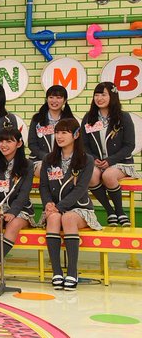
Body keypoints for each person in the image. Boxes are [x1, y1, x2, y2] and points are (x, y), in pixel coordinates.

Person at [39, 118, 101, 291]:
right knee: (53, 219)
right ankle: (57, 272)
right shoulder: (48, 159)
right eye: (57, 132)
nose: (59, 136)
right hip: (54, 207)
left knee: (67, 218)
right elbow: (43, 186)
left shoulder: (86, 160)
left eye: (64, 132)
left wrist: (59, 207)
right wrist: (48, 204)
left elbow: (80, 189)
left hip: (79, 208)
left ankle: (72, 272)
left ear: (76, 135)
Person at [0, 127, 34, 285]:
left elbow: (24, 193)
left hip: (19, 208)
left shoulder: (27, 165)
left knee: (14, 224)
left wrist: (13, 212)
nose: (4, 145)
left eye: (9, 141)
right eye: (1, 141)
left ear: (19, 143)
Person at [82, 82, 140, 227]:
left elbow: (129, 145)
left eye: (103, 94)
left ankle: (120, 212)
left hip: (120, 162)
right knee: (91, 175)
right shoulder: (89, 117)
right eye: (96, 95)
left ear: (112, 96)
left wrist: (110, 160)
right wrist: (94, 159)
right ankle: (110, 211)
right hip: (97, 162)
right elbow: (84, 144)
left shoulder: (123, 117)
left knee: (108, 175)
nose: (99, 98)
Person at [28, 85, 74, 176]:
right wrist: (47, 156)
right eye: (51, 97)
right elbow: (32, 144)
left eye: (58, 97)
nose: (54, 101)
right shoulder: (37, 119)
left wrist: (62, 158)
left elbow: (74, 143)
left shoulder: (70, 120)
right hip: (40, 159)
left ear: (65, 100)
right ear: (47, 99)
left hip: (65, 159)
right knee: (45, 169)